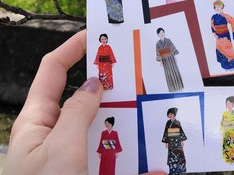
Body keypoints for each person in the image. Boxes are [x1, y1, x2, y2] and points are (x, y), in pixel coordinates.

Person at [1, 30, 165, 175]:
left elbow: (112, 59)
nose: (103, 42)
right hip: (102, 67)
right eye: (101, 39)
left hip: (107, 65)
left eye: (104, 40)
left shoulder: (107, 49)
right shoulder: (103, 134)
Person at [211, 0, 234, 71]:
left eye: (218, 6)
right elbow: (212, 26)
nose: (217, 8)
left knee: (228, 50)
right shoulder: (214, 16)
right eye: (215, 7)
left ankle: (231, 66)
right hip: (218, 35)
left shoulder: (226, 16)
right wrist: (214, 34)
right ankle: (224, 66)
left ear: (221, 7)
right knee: (220, 49)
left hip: (226, 35)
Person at [156, 27, 184, 92]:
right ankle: (173, 89)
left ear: (164, 33)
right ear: (158, 35)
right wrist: (160, 61)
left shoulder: (168, 40)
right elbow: (158, 52)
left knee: (175, 72)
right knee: (168, 74)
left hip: (171, 58)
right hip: (165, 61)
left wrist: (175, 56)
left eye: (163, 32)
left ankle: (180, 87)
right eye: (160, 33)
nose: (162, 34)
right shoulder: (157, 44)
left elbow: (172, 48)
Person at [161, 107, 187, 174]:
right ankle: (172, 168)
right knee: (172, 155)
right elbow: (166, 132)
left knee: (179, 153)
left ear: (174, 114)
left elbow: (181, 131)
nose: (169, 115)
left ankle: (181, 168)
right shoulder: (168, 122)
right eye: (168, 114)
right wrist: (166, 142)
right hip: (170, 141)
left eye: (170, 114)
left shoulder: (177, 122)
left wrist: (182, 141)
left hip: (177, 141)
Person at [220, 96, 234, 164]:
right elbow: (222, 123)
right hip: (226, 132)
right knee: (227, 147)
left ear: (232, 104)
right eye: (227, 103)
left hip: (233, 132)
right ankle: (227, 159)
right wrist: (222, 131)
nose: (228, 105)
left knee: (233, 146)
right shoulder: (224, 114)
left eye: (229, 103)